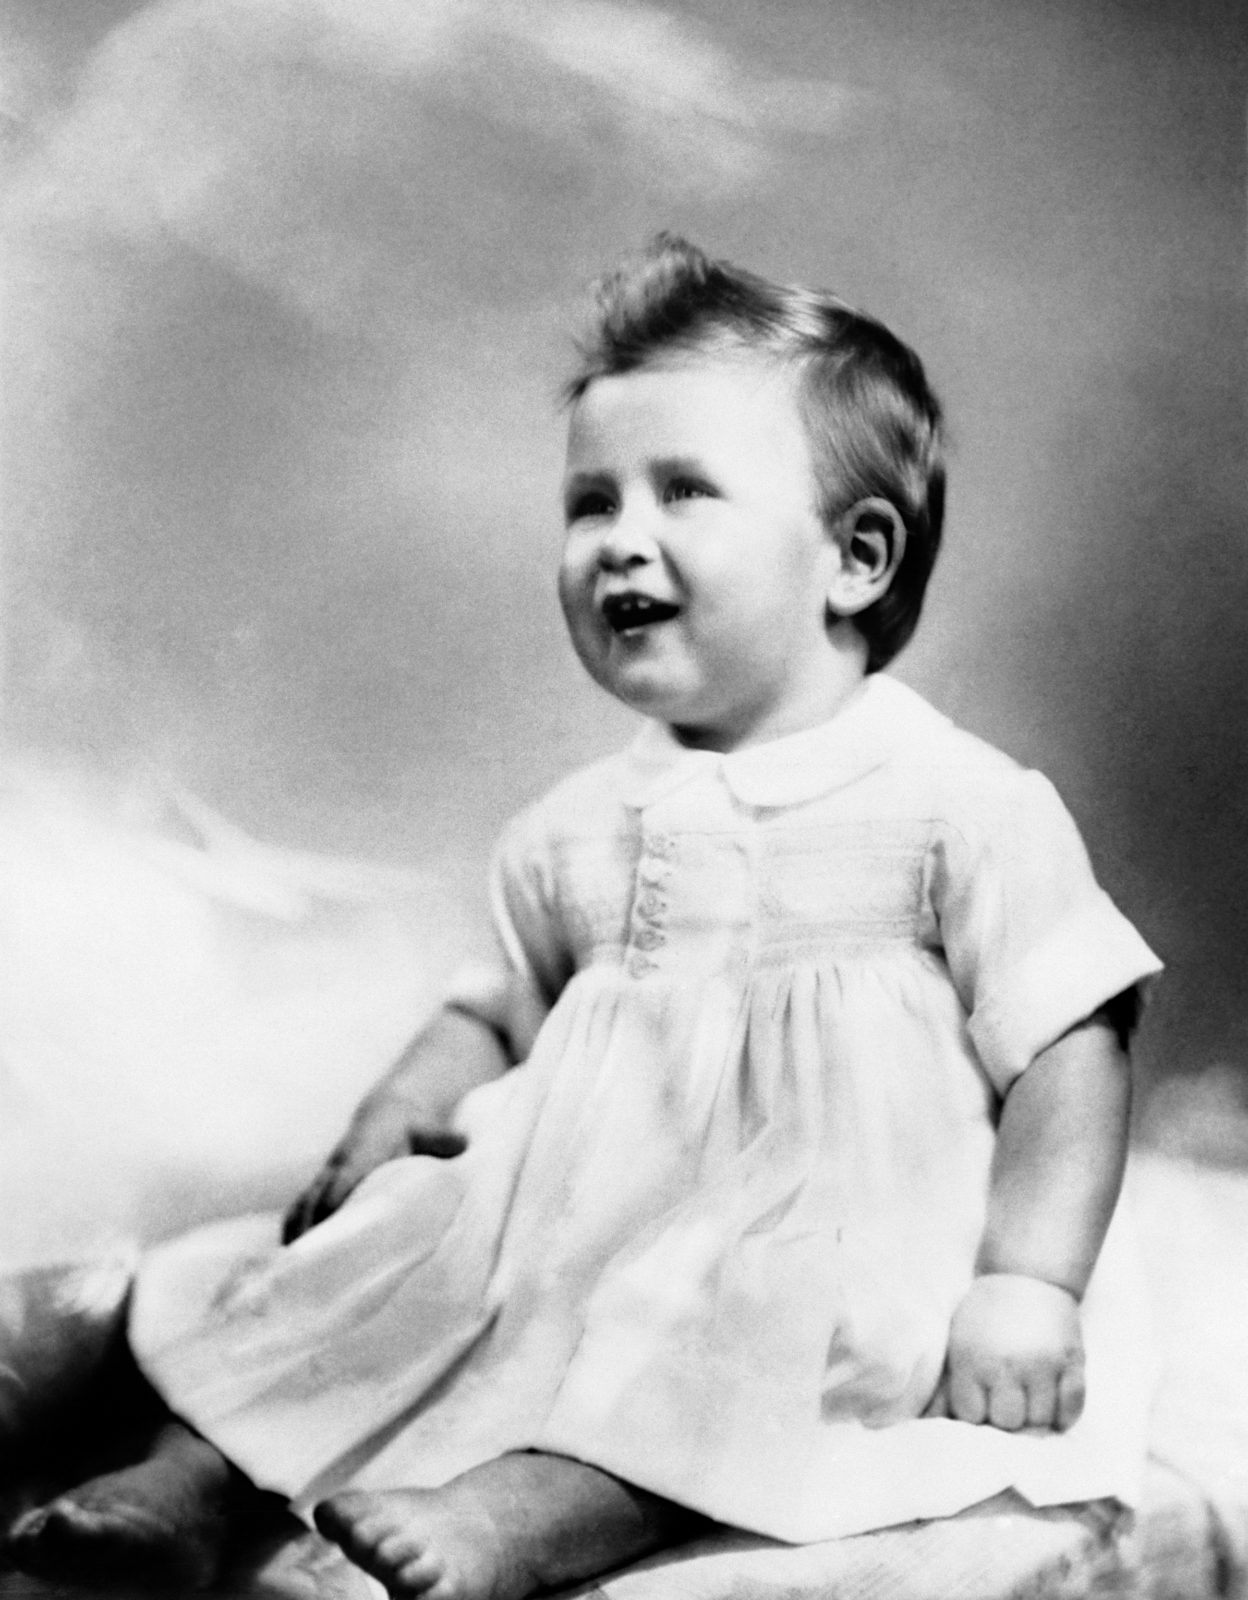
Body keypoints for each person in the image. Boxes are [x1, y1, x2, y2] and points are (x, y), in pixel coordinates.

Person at [5, 235, 1161, 1600]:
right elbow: (498, 998)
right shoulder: (580, 823)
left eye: (684, 491)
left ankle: (531, 1515)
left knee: (722, 1348)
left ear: (854, 559)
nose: (619, 537)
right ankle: (190, 1485)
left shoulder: (957, 806)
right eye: (589, 501)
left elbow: (1069, 1039)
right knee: (362, 1285)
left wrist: (1027, 1283)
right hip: (566, 1230)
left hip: (814, 1254)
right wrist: (397, 1111)